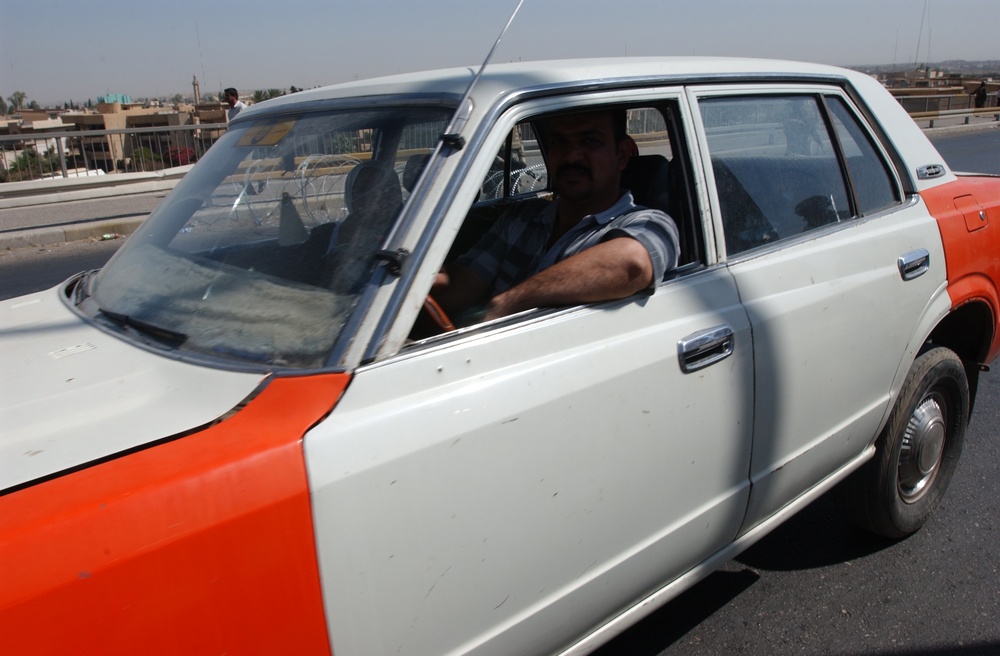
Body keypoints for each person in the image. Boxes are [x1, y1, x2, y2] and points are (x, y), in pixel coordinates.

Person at [433, 109, 680, 323]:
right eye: (559, 142)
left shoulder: (649, 223)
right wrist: (426, 283)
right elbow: (464, 282)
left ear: (622, 155)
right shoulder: (521, 218)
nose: (571, 156)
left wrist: (508, 304)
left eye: (590, 141)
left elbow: (633, 264)